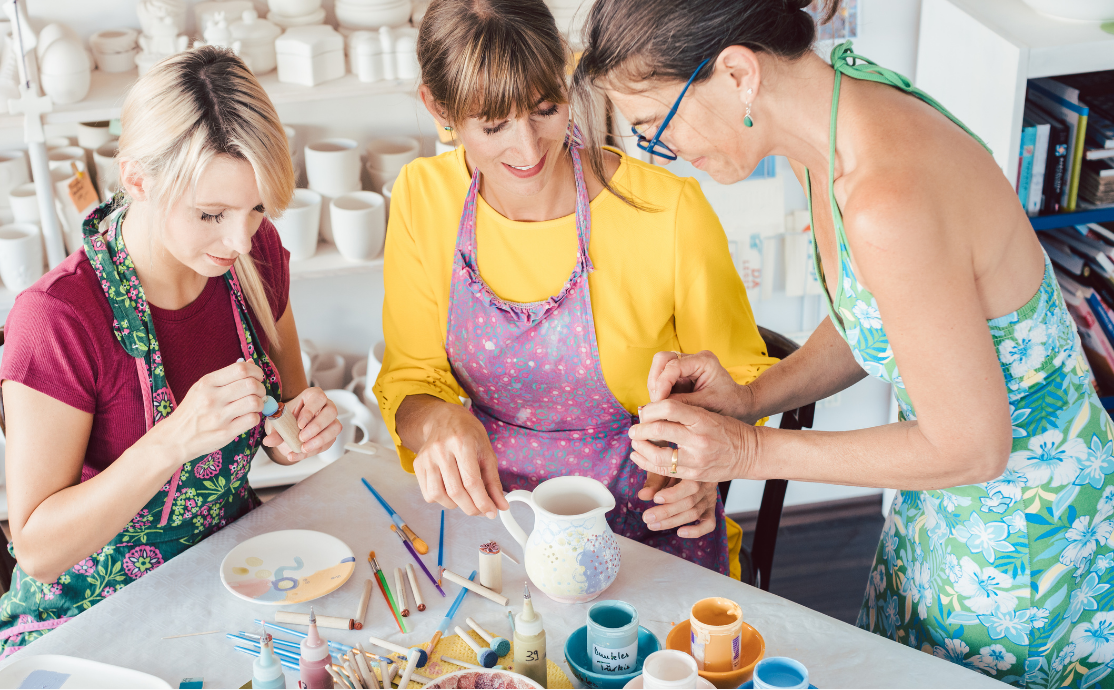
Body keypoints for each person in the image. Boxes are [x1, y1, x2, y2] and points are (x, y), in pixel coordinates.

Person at [574, 0, 1114, 685]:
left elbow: (974, 447)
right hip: (943, 509)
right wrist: (749, 398)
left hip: (1031, 541)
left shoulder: (886, 196)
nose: (667, 151)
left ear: (738, 73)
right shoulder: (830, 125)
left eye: (656, 125)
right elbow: (884, 315)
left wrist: (745, 450)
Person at [372, 0, 776, 576]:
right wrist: (440, 422)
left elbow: (745, 384)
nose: (529, 148)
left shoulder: (668, 212)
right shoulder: (422, 197)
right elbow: (409, 380)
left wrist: (704, 469)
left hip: (649, 533)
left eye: (546, 108)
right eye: (493, 127)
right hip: (493, 531)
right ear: (439, 110)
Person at [0, 47, 341, 667]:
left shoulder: (255, 258)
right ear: (138, 180)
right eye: (211, 213)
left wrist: (294, 431)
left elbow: (281, 425)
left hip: (223, 567)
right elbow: (38, 548)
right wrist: (172, 440)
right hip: (83, 612)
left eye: (256, 209)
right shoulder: (60, 317)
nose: (239, 239)